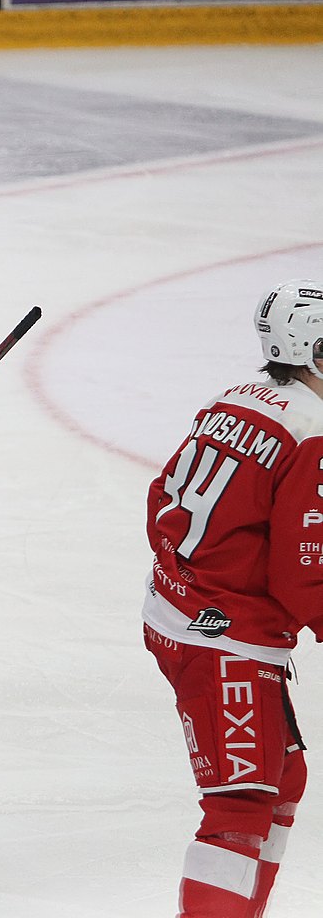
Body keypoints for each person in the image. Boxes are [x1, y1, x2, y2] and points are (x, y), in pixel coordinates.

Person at [143, 279, 323, 918]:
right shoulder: (313, 433)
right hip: (224, 640)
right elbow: (303, 576)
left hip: (182, 615)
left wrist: (189, 584)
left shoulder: (235, 398)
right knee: (239, 805)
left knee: (283, 780)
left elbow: (162, 494)